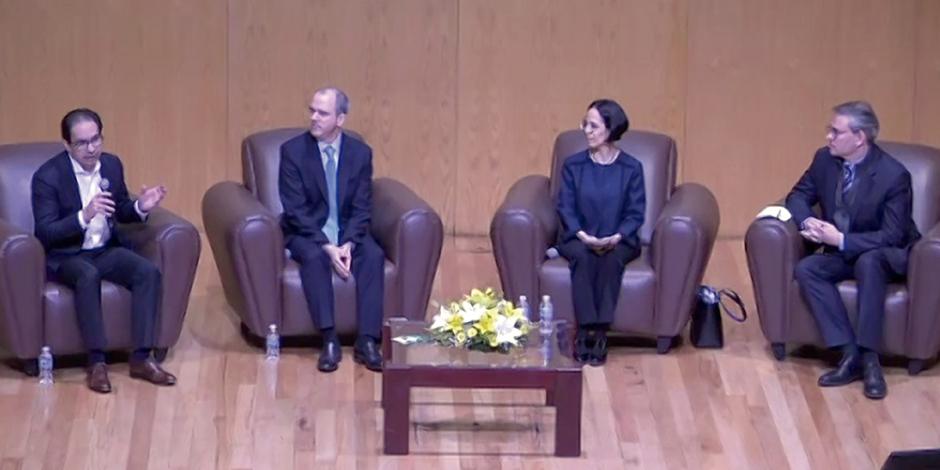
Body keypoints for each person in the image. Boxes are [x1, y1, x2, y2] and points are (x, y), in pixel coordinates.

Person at [31, 108, 177, 394]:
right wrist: (83, 216)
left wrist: (140, 207)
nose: (91, 148)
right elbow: (45, 232)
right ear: (67, 145)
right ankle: (97, 363)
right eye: (82, 143)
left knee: (147, 272)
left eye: (96, 139)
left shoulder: (111, 165)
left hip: (104, 249)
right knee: (87, 275)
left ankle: (141, 358)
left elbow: (120, 208)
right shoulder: (48, 177)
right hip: (67, 255)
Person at [787, 101, 920, 400]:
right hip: (844, 253)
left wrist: (841, 240)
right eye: (829, 130)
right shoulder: (824, 160)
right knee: (808, 269)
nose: (828, 137)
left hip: (884, 253)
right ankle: (849, 353)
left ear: (860, 137)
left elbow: (892, 235)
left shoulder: (893, 175)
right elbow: (797, 195)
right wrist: (807, 220)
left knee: (869, 263)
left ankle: (870, 358)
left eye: (836, 132)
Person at [279, 87, 384, 373]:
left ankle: (367, 340)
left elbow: (362, 207)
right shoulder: (292, 152)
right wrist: (327, 246)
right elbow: (294, 210)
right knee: (313, 259)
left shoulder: (360, 154)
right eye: (312, 110)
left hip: (348, 232)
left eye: (322, 113)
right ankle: (329, 338)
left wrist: (348, 243)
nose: (313, 117)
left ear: (340, 119)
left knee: (373, 256)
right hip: (308, 232)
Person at [556, 99, 645, 366]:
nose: (587, 130)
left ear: (610, 129)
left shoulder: (631, 168)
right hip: (578, 237)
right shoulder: (574, 165)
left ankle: (601, 332)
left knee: (610, 259)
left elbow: (635, 213)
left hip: (619, 239)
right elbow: (566, 206)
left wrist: (617, 236)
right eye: (585, 124)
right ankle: (585, 332)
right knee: (584, 257)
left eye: (593, 126)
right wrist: (582, 235)